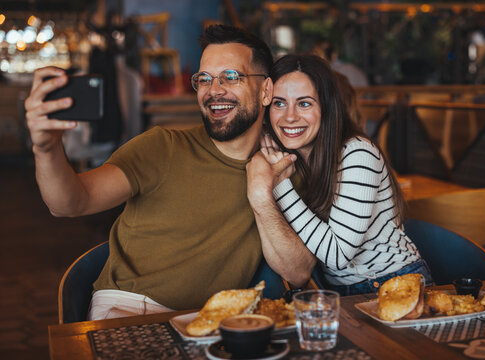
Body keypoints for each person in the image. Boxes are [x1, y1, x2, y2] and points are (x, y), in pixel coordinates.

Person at [24, 25, 309, 320]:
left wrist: (261, 193)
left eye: (231, 77)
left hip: (210, 324)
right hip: (131, 310)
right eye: (205, 79)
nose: (214, 90)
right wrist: (46, 148)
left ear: (265, 91)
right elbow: (68, 203)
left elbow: (298, 273)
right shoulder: (162, 147)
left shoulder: (280, 169)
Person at [246, 54, 432, 296]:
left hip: (394, 283)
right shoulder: (297, 158)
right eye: (279, 103)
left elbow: (337, 255)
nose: (289, 116)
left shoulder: (358, 153)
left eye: (304, 103)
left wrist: (279, 184)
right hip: (339, 292)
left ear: (326, 107)